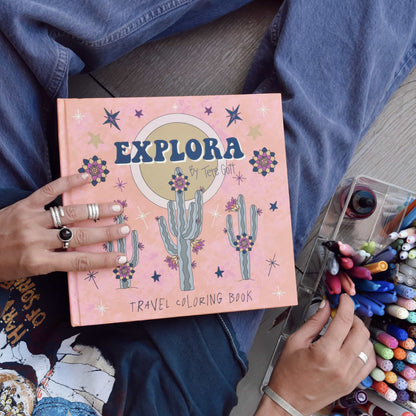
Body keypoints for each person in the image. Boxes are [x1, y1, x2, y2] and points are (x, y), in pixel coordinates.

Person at [0, 0, 415, 414]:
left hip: (15, 254)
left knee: (14, 20)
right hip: (169, 377)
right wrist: (286, 403)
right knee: (306, 124)